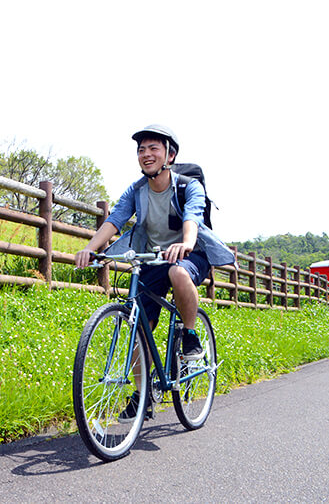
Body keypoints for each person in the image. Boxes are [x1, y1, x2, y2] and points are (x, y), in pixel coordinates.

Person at [74, 124, 235, 420]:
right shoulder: (137, 190)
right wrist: (90, 248)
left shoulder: (188, 186)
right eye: (141, 150)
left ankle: (189, 335)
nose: (146, 155)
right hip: (153, 258)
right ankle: (143, 392)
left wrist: (186, 243)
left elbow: (193, 217)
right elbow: (115, 219)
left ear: (169, 156)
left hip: (190, 256)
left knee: (178, 273)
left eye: (153, 149)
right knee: (137, 326)